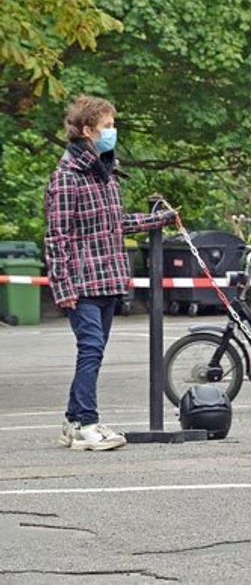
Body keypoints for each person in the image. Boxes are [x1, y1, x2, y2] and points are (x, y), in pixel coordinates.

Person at [45, 95, 176, 451]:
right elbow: (56, 237)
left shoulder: (106, 175)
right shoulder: (66, 179)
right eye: (107, 126)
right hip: (81, 281)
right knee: (90, 349)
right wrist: (63, 285)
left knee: (95, 350)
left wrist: (160, 218)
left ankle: (73, 421)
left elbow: (116, 223)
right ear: (87, 130)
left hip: (108, 278)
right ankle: (87, 422)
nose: (112, 132)